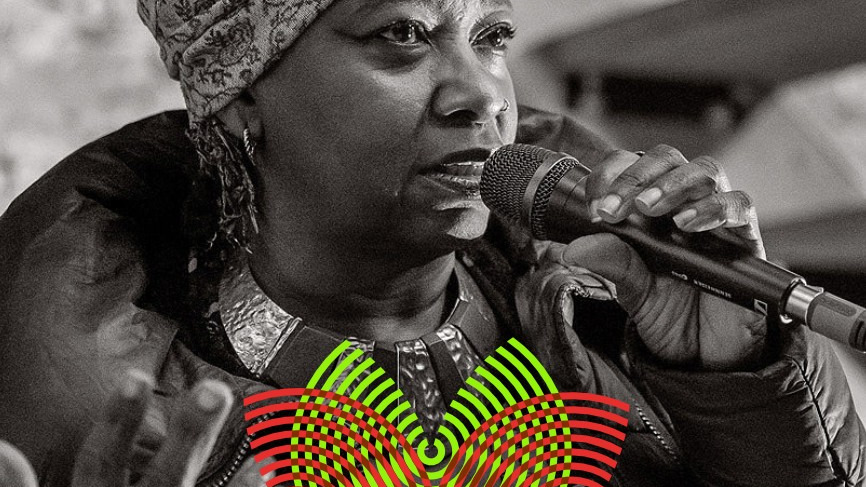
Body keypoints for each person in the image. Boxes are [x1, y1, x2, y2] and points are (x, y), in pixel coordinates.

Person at [0, 0, 863, 485]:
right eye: (402, 35)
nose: (480, 95)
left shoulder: (617, 321)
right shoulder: (118, 433)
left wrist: (740, 380)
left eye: (492, 38)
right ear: (242, 91)